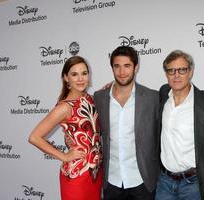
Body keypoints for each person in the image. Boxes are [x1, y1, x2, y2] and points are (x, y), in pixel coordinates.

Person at [28, 56, 102, 200]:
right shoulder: (64, 107)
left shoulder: (90, 99)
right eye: (74, 74)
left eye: (84, 73)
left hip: (95, 173)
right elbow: (34, 137)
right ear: (66, 78)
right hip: (77, 176)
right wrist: (64, 156)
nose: (81, 79)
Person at [155, 50, 204, 200]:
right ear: (166, 74)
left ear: (190, 72)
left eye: (182, 70)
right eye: (171, 70)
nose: (176, 75)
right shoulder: (163, 94)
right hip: (164, 182)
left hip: (193, 183)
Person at [93, 46, 159, 200]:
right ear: (112, 69)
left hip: (142, 180)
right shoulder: (99, 98)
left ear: (136, 67)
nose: (122, 72)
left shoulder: (152, 98)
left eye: (127, 66)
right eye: (117, 66)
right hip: (112, 180)